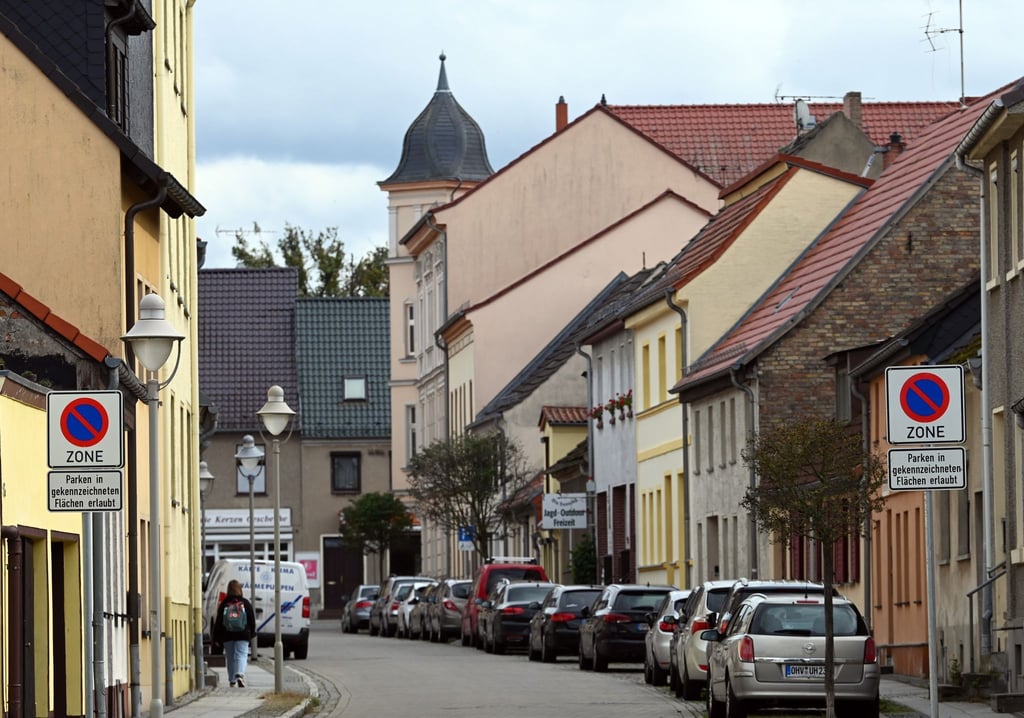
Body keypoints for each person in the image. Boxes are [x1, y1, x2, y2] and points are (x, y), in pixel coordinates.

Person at [213, 579, 256, 687]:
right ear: (240, 590)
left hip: (227, 634)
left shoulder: (224, 604)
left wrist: (216, 638)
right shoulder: (245, 603)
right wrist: (252, 633)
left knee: (231, 657)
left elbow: (218, 622)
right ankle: (240, 674)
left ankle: (232, 680)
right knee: (241, 655)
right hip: (243, 634)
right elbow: (251, 619)